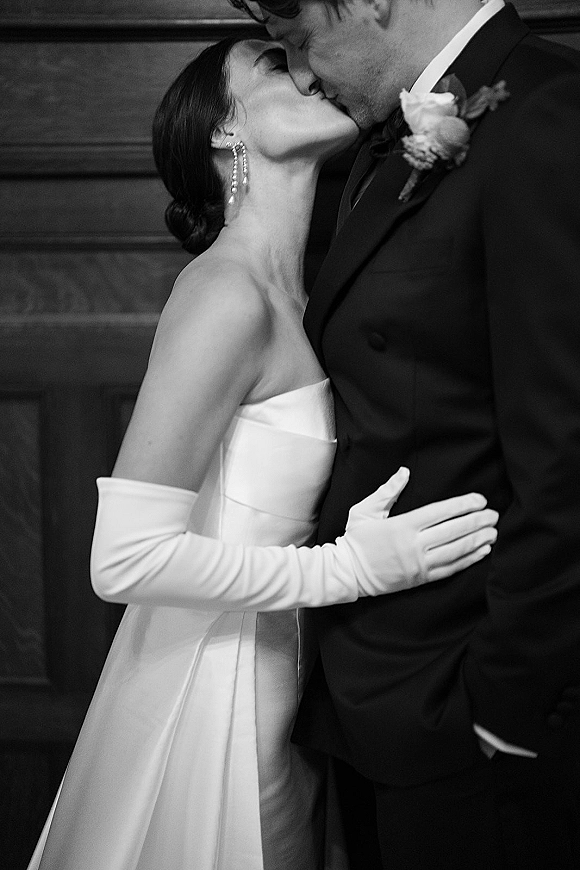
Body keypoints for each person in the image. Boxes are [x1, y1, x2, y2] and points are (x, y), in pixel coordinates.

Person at [26, 37, 498, 870]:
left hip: (292, 680)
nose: (312, 67)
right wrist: (348, 569)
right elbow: (123, 559)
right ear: (226, 135)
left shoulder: (306, 295)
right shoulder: (225, 294)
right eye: (276, 64)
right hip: (220, 688)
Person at [230, 0, 580, 867]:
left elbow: (568, 450)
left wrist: (502, 703)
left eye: (300, 39)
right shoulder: (383, 144)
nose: (303, 73)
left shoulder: (548, 115)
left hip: (473, 710)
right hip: (377, 695)